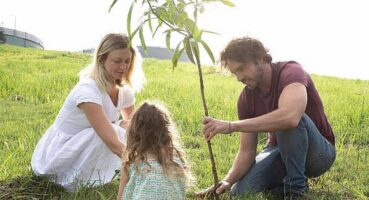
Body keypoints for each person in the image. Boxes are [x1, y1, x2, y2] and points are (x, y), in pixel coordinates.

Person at [197, 37, 336, 199]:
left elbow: (291, 117)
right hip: (279, 152)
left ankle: (296, 191)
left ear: (260, 58)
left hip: (319, 154)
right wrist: (227, 181)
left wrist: (231, 126)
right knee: (240, 191)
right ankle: (287, 182)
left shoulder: (291, 71)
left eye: (242, 68)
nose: (239, 78)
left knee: (286, 120)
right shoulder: (246, 98)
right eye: (235, 73)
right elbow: (246, 151)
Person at [31, 33, 146, 192]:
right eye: (117, 61)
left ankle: (108, 173)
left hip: (85, 143)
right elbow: (112, 142)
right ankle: (78, 180)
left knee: (127, 126)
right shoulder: (88, 90)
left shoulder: (124, 92)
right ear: (102, 60)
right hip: (58, 155)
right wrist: (143, 165)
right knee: (111, 132)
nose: (123, 67)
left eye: (127, 61)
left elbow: (135, 130)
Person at [117, 101, 193, 200]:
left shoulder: (132, 164)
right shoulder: (176, 162)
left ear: (134, 132)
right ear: (167, 132)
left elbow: (121, 198)